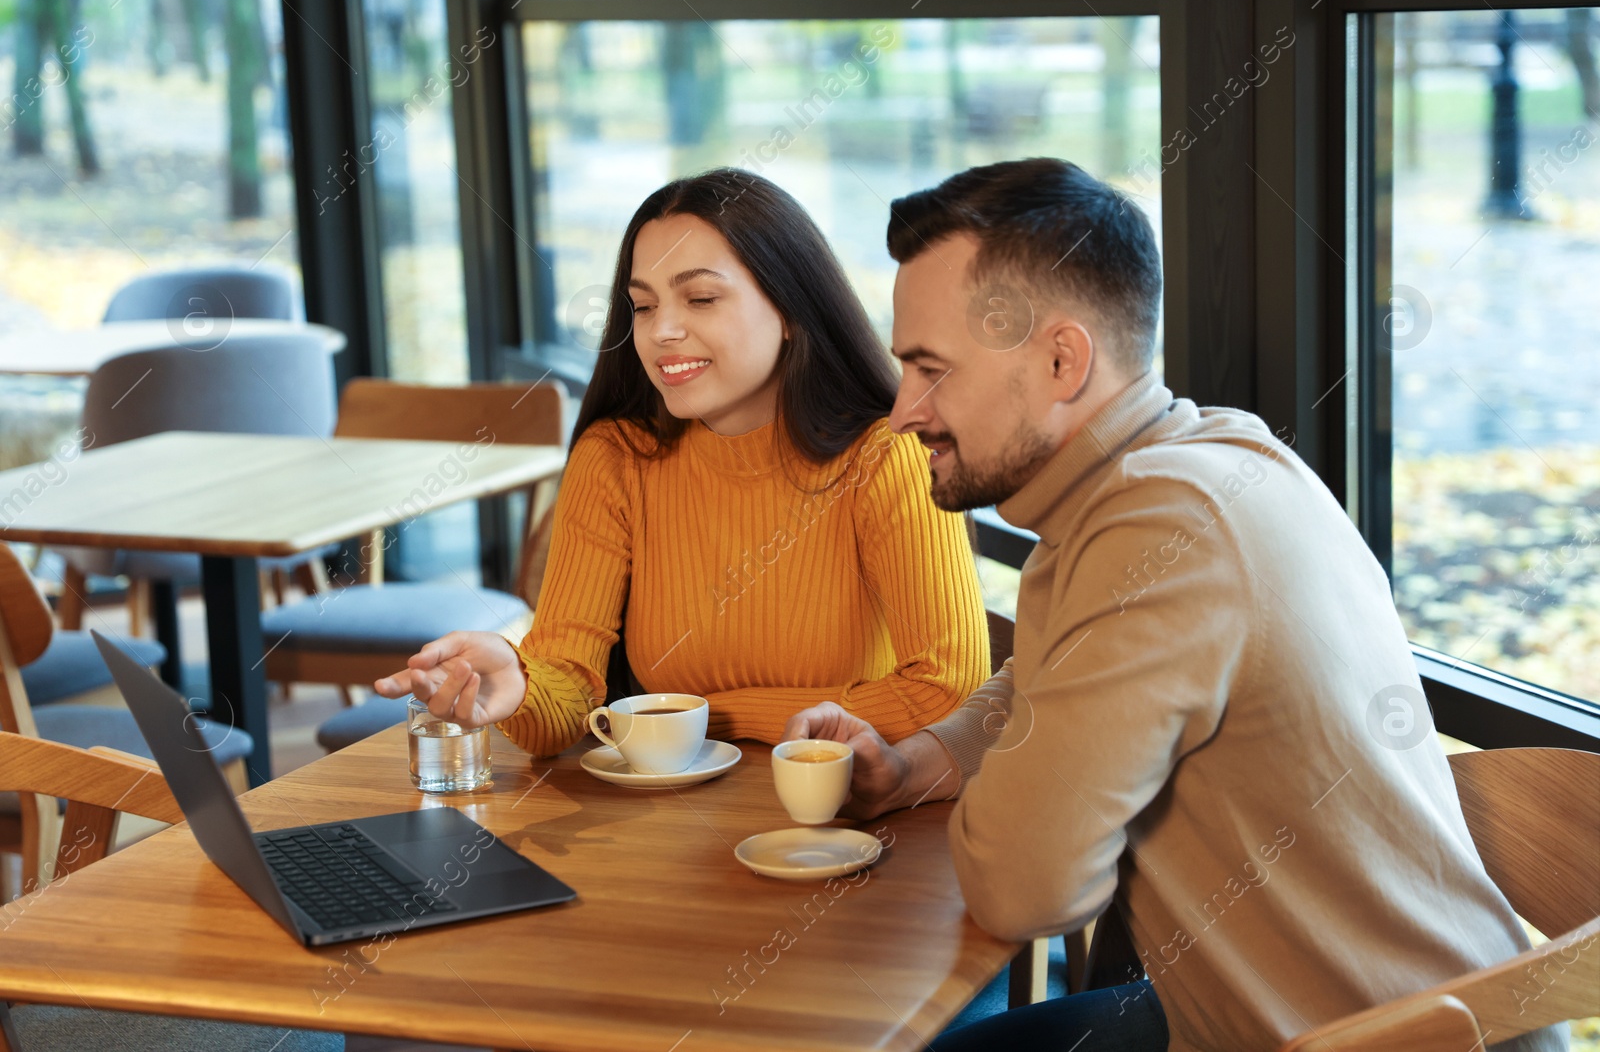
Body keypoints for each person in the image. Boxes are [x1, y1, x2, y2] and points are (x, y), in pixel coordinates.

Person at [782, 158, 1564, 1052]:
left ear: (1061, 360)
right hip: (1300, 1011)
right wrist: (919, 761)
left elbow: (1024, 886)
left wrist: (1020, 785)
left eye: (930, 368)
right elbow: (1053, 678)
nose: (900, 413)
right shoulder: (1209, 453)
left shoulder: (1156, 534)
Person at [374, 168, 989, 757]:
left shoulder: (885, 458)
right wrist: (520, 684)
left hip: (836, 825)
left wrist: (702, 716)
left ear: (793, 313)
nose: (661, 331)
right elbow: (570, 695)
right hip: (668, 818)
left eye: (700, 298)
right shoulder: (616, 458)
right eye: (642, 306)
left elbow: (948, 691)